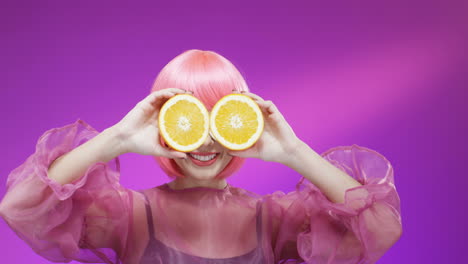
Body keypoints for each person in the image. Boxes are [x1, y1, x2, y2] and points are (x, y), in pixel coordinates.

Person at [0, 49, 402, 264]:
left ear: (244, 123)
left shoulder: (275, 220)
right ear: (162, 122)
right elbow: (20, 207)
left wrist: (293, 151)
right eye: (190, 119)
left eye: (222, 119)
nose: (206, 141)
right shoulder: (129, 215)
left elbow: (382, 227)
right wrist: (119, 137)